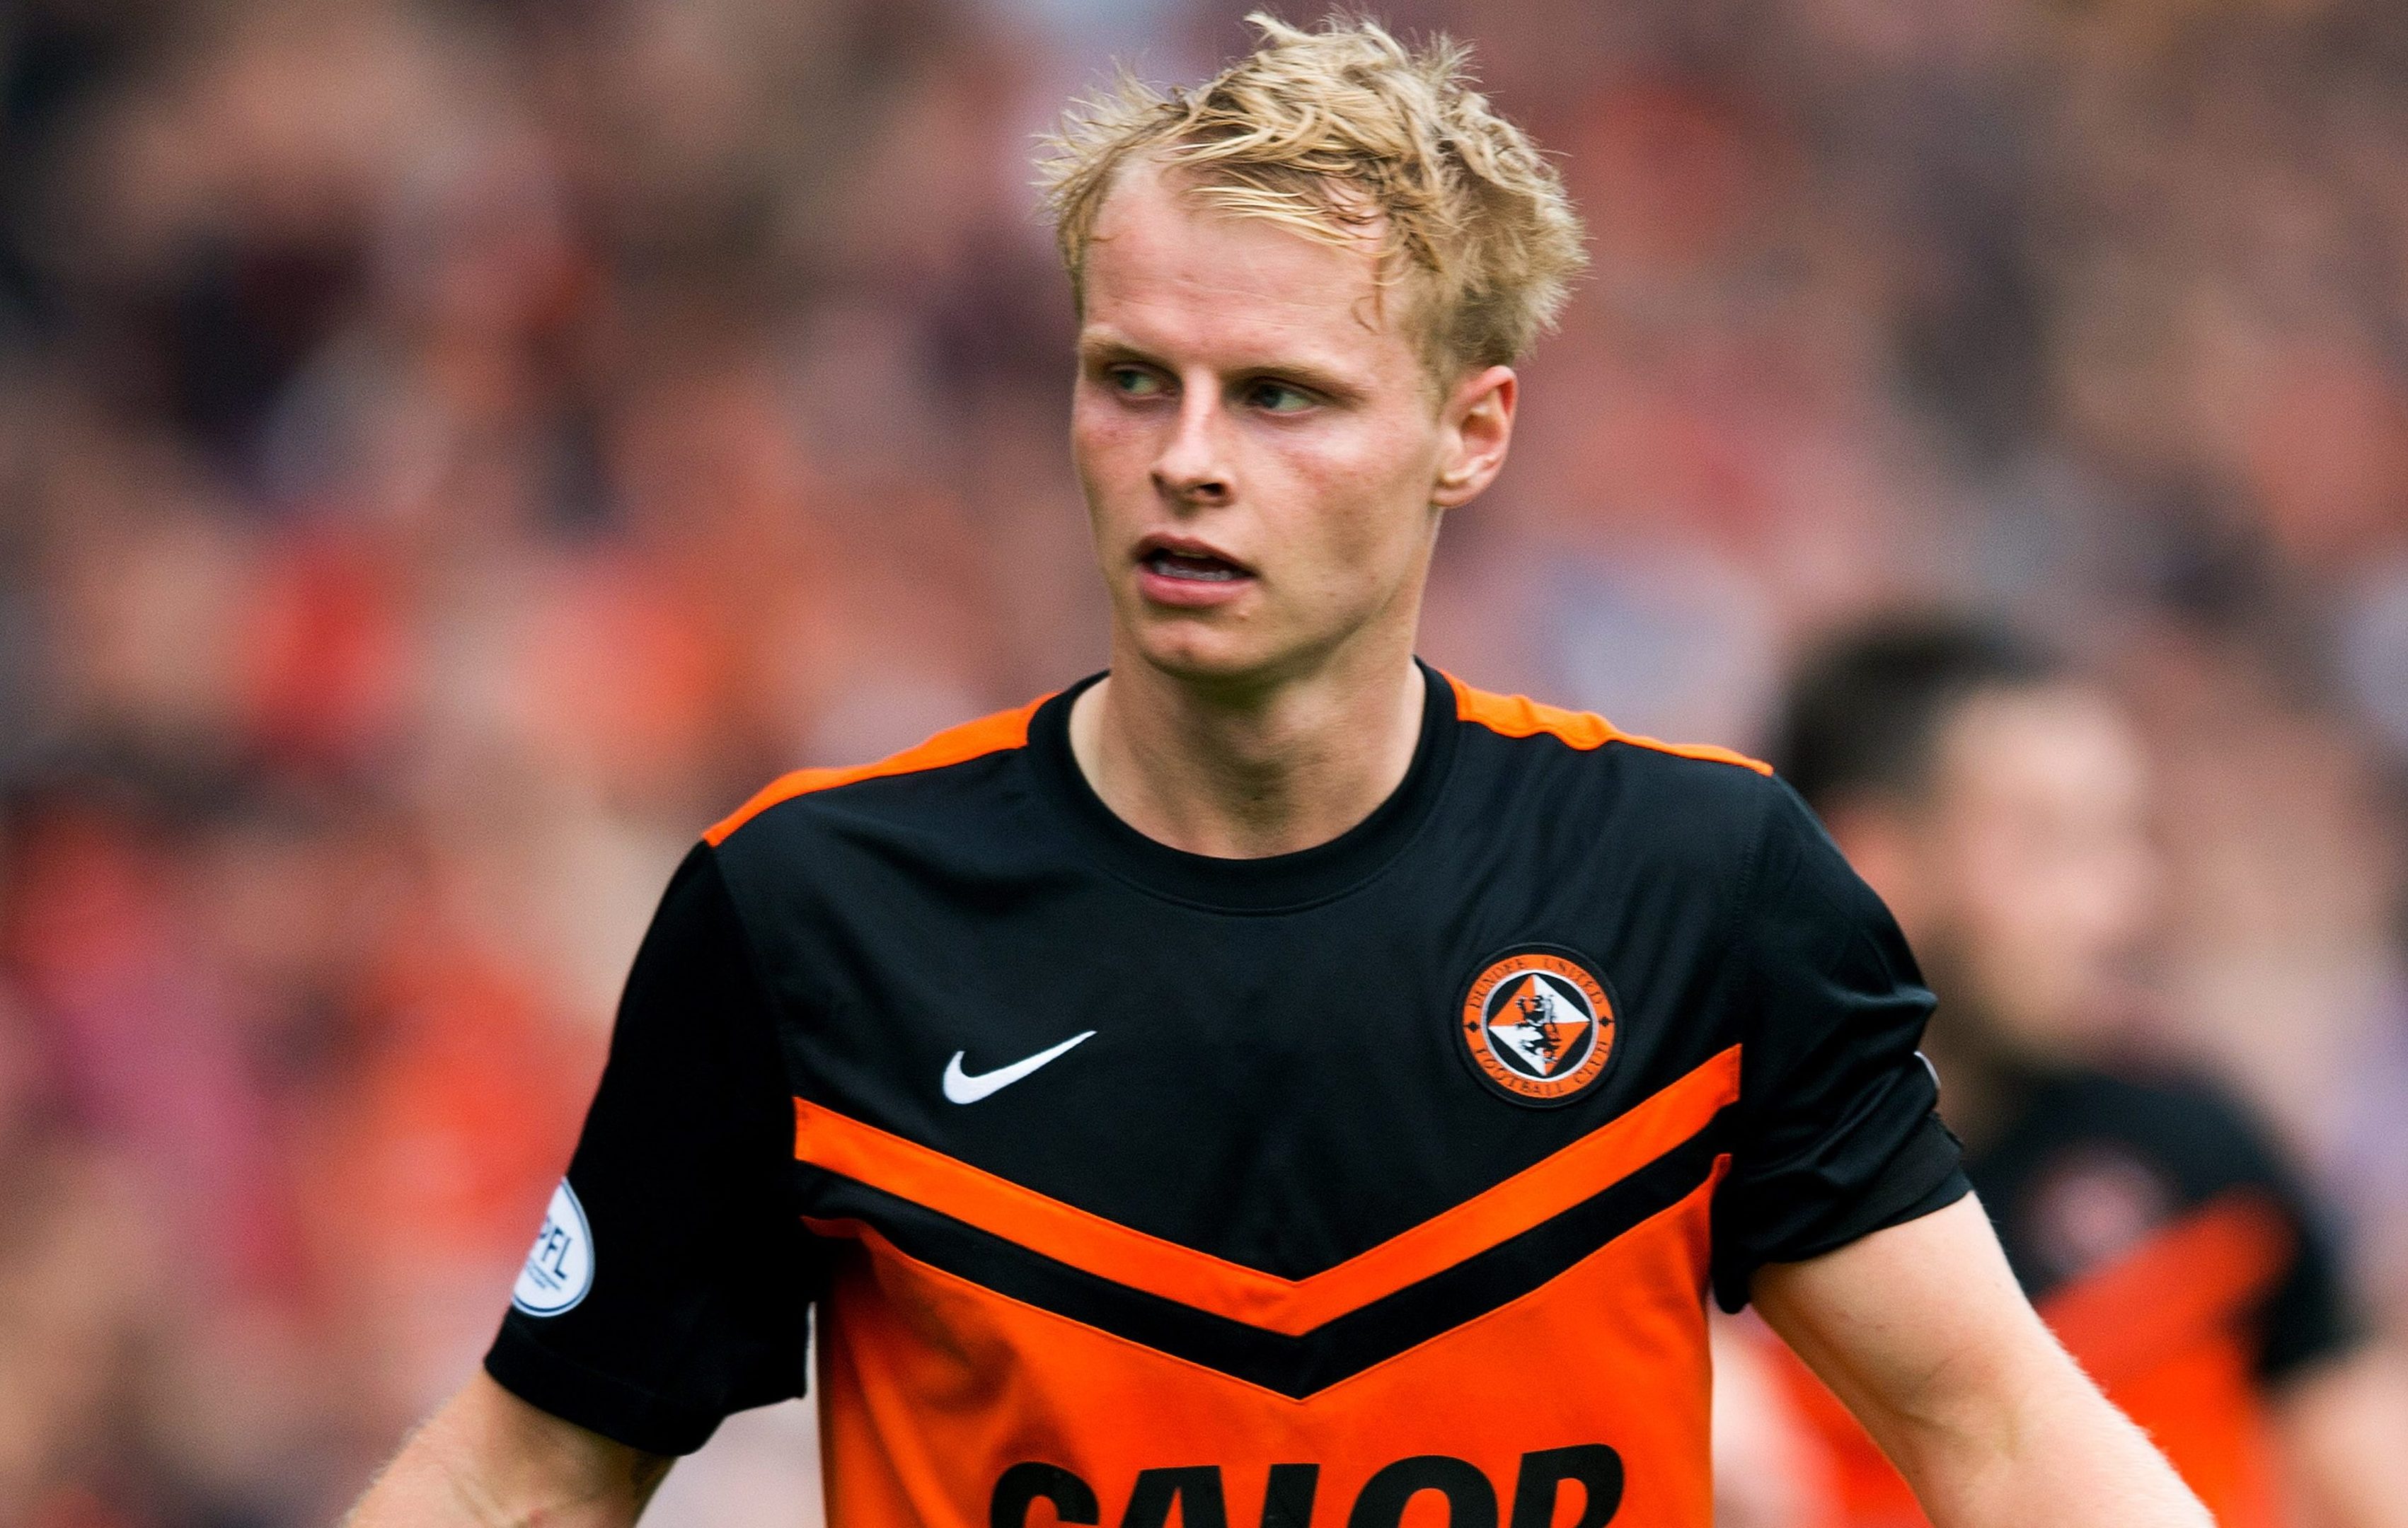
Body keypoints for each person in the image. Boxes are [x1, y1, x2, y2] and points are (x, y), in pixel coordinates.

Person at [347, 18, 2210, 1528]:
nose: (1185, 457)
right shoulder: (811, 917)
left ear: (1469, 431)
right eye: (1129, 378)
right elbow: (526, 1476)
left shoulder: (1695, 885)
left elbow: (1996, 1434)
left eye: (1282, 395)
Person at [1761, 618, 2408, 1528]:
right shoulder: (1693, 1210)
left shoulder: (2188, 1138)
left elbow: (2375, 1472)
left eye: (2123, 842)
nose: (2122, 905)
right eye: (2051, 846)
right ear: (1869, 856)